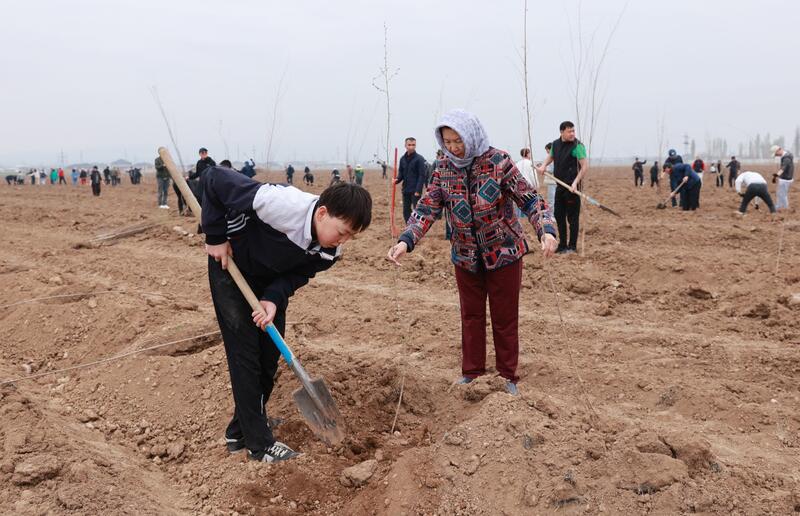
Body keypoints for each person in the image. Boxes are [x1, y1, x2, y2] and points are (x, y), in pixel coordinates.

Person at [202, 166, 372, 462]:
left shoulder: (330, 252)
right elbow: (214, 178)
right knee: (245, 355)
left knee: (268, 356)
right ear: (322, 214)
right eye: (342, 232)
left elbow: (297, 275)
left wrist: (272, 299)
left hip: (268, 281)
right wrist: (215, 235)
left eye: (351, 237)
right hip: (232, 268)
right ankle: (259, 444)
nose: (343, 240)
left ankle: (239, 431)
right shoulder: (280, 203)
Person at [387, 110, 558, 396]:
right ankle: (472, 372)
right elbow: (427, 208)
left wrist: (547, 230)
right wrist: (406, 240)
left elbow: (530, 200)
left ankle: (507, 376)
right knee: (471, 316)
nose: (453, 147)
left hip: (504, 252)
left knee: (504, 318)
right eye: (447, 141)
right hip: (465, 255)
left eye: (458, 141)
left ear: (471, 136)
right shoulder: (443, 167)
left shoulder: (498, 162)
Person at [536, 121, 589, 254]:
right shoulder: (556, 144)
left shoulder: (578, 146)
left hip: (572, 187)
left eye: (573, 131)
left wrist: (576, 182)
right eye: (569, 131)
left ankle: (572, 246)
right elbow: (551, 157)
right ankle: (563, 245)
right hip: (560, 185)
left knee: (572, 218)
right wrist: (543, 166)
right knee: (559, 215)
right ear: (561, 132)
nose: (572, 134)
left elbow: (584, 166)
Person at [396, 137, 427, 223]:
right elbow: (401, 174)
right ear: (405, 145)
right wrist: (396, 180)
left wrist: (418, 190)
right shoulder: (402, 159)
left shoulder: (419, 159)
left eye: (413, 145)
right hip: (405, 189)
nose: (411, 147)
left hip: (415, 190)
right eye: (409, 145)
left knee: (416, 210)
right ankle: (408, 225)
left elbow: (422, 175)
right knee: (406, 210)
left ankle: (417, 227)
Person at [770, 144, 794, 211]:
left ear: (778, 150)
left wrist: (776, 175)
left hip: (785, 179)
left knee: (782, 194)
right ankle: (782, 207)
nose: (776, 156)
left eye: (776, 154)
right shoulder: (786, 156)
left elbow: (783, 168)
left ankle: (782, 208)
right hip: (785, 178)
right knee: (781, 193)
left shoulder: (786, 158)